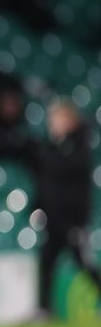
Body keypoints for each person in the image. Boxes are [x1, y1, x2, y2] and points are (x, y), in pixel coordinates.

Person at [36, 98, 101, 315]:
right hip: (53, 219)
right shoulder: (52, 147)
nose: (53, 123)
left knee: (83, 262)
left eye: (58, 119)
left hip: (72, 219)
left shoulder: (79, 144)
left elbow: (71, 170)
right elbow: (44, 179)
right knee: (46, 263)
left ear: (70, 120)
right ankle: (45, 310)